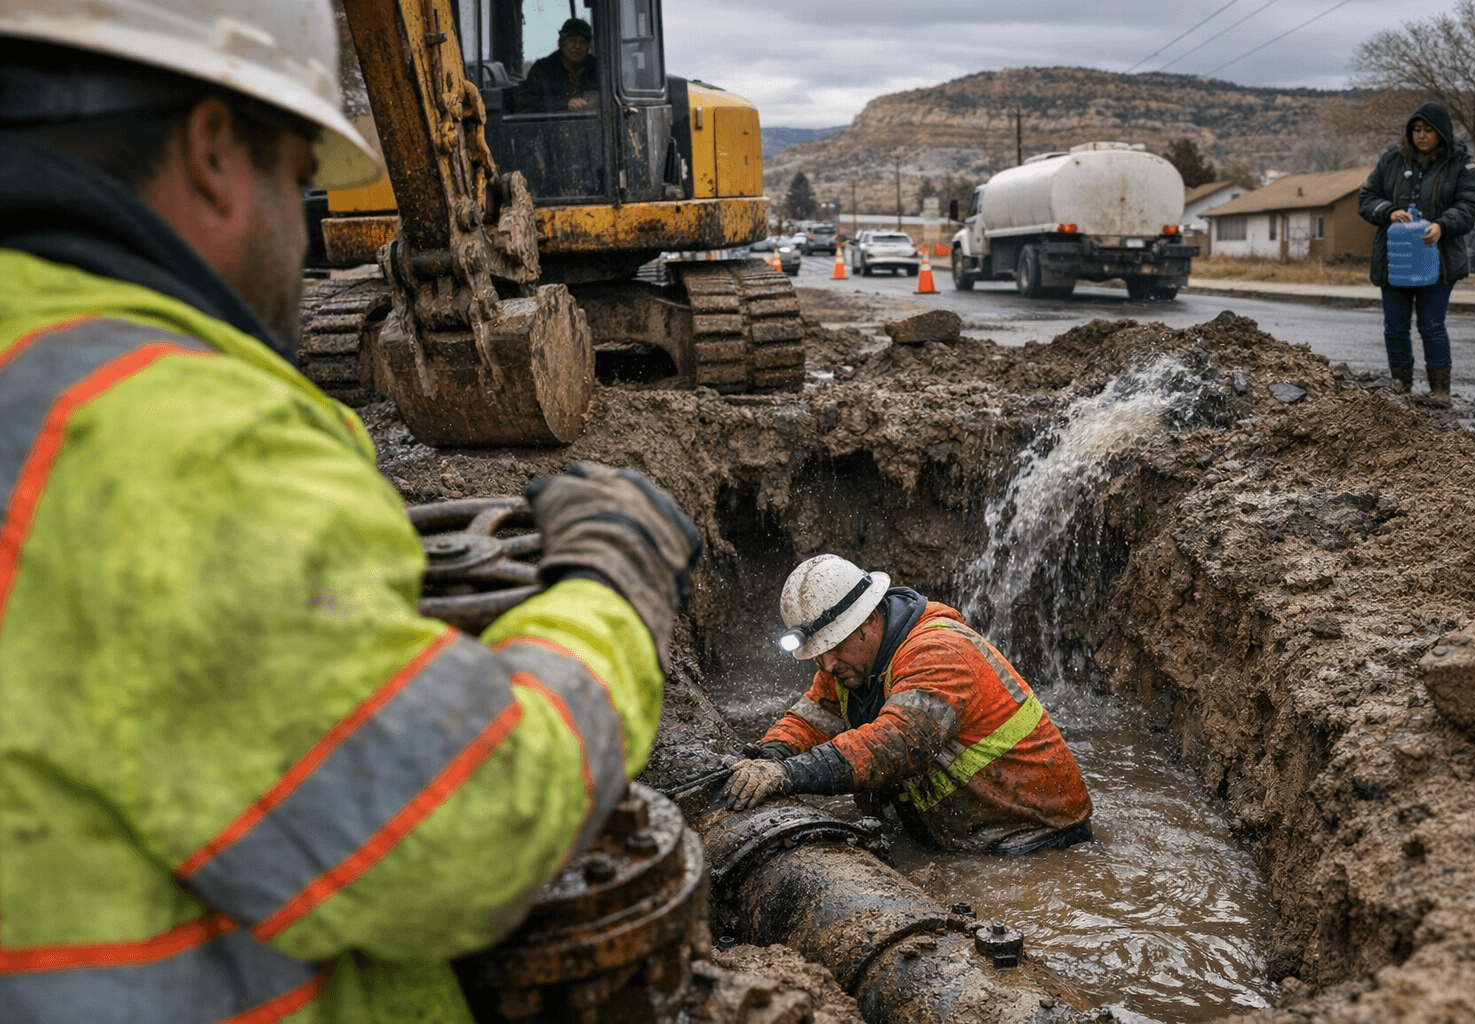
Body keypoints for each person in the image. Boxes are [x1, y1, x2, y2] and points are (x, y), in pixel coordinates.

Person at [0, 2, 698, 1021]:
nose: (303, 224)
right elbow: (464, 824)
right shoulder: (177, 440)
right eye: (301, 180)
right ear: (212, 153)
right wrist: (610, 591)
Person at [725, 554, 1094, 855]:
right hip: (967, 837)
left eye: (834, 648)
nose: (827, 665)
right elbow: (811, 718)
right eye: (817, 655)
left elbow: (897, 743)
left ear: (870, 620)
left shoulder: (939, 652)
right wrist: (769, 755)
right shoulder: (849, 665)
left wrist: (790, 775)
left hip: (1036, 841)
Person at [1358, 101, 1475, 407]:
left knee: (1431, 325)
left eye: (1428, 130)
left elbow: (1470, 207)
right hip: (1395, 261)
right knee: (1395, 326)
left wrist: (1442, 225)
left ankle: (1440, 391)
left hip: (1439, 262)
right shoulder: (1391, 160)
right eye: (1416, 129)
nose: (1422, 135)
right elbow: (1367, 198)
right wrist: (1388, 211)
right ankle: (1401, 388)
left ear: (1442, 133)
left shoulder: (1462, 165)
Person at [517, 17, 599, 113]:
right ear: (562, 43)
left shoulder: (598, 68)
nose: (577, 46)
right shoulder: (542, 70)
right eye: (572, 40)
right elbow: (525, 103)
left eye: (583, 42)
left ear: (588, 47)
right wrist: (564, 104)